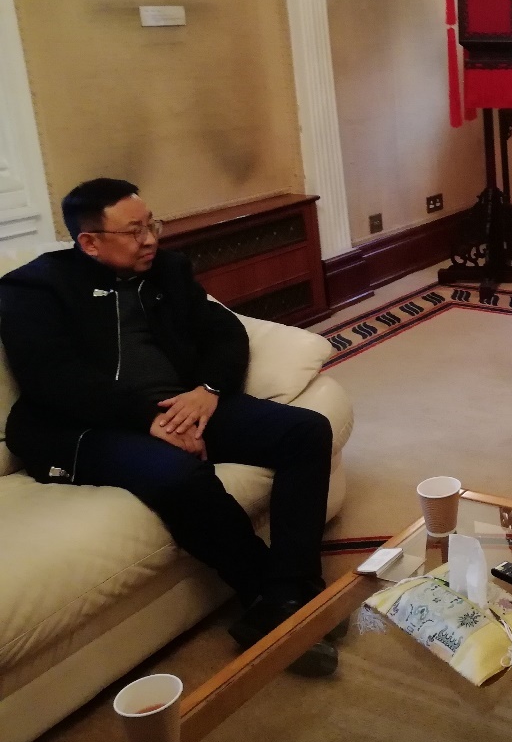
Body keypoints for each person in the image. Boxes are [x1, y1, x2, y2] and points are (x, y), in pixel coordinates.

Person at [0, 179, 339, 675]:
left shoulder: (167, 270)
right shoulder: (33, 289)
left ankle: (290, 593)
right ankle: (262, 593)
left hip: (181, 406)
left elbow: (225, 332)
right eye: (133, 231)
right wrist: (149, 420)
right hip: (85, 428)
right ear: (89, 242)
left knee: (305, 432)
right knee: (179, 476)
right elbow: (55, 380)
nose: (150, 240)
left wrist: (208, 389)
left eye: (151, 225)